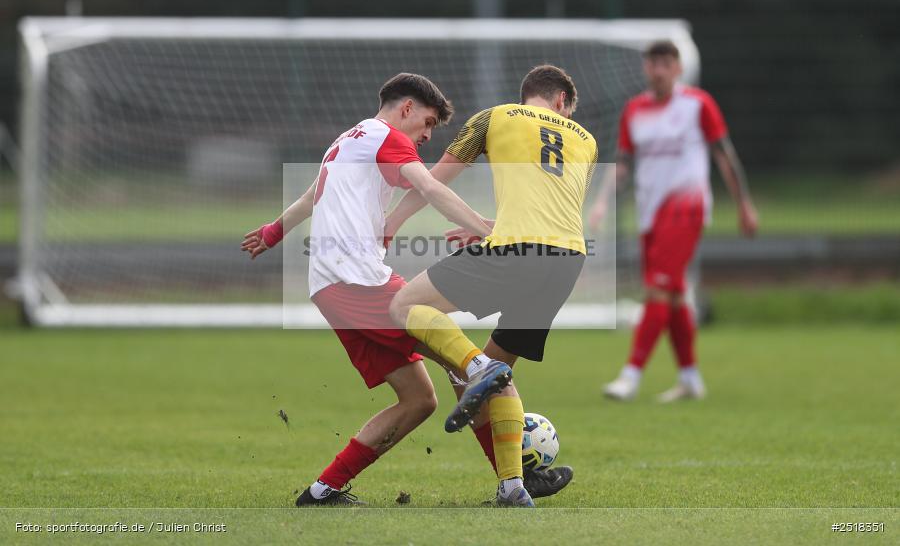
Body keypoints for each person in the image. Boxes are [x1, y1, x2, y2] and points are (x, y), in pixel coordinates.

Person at [242, 73, 494, 505]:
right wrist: (487, 229)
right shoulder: (385, 136)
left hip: (330, 286)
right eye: (428, 122)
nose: (429, 135)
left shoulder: (346, 139)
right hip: (356, 280)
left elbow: (309, 198)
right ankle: (516, 476)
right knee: (473, 366)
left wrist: (273, 231)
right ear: (407, 109)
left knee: (419, 399)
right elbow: (431, 186)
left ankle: (322, 491)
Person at [387, 65, 598, 507]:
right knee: (482, 378)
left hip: (516, 249)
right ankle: (515, 485)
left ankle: (476, 366)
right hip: (567, 260)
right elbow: (553, 205)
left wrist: (391, 224)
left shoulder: (495, 117)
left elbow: (435, 178)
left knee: (405, 307)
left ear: (533, 96)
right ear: (562, 101)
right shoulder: (586, 140)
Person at [589, 40, 758, 403]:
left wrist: (744, 204)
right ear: (645, 68)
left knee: (658, 289)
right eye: (653, 63)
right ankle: (690, 378)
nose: (659, 69)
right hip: (651, 213)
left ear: (678, 68)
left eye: (666, 63)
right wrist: (601, 202)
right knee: (676, 295)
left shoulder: (698, 105)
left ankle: (630, 376)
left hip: (686, 208)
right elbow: (623, 164)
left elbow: (724, 155)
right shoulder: (634, 110)